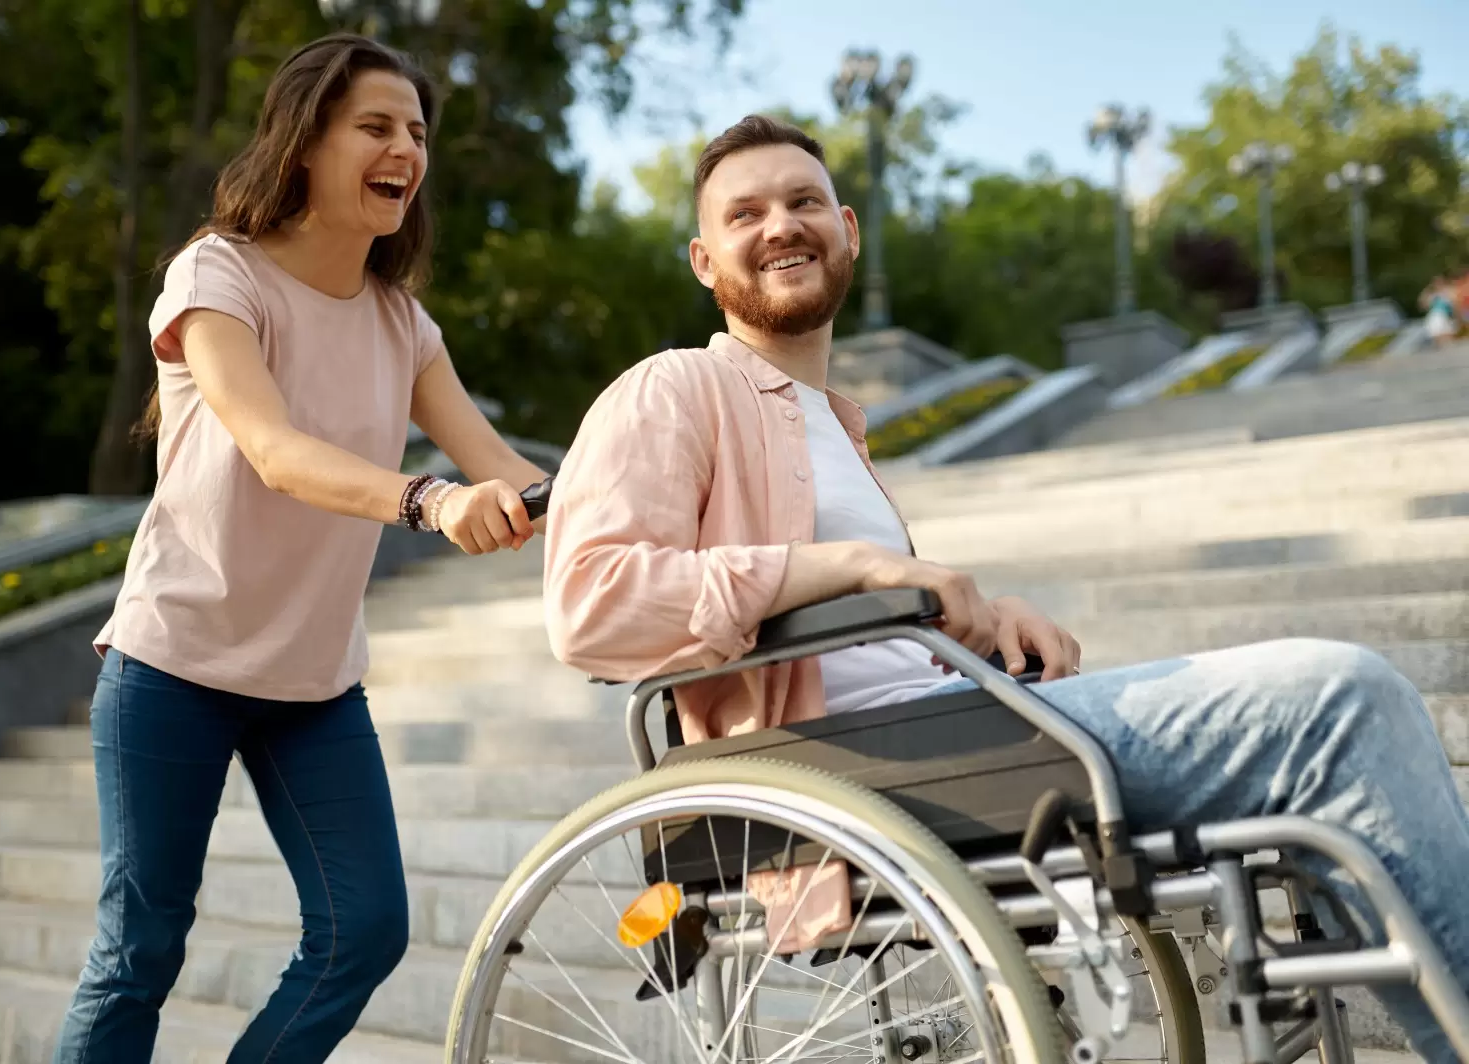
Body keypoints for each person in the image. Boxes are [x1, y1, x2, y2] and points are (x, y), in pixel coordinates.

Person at [541, 114, 1469, 1062]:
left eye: (804, 201)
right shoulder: (673, 388)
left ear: (849, 230)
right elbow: (591, 603)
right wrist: (860, 566)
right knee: (1343, 700)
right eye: (747, 213)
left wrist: (979, 626)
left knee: (1329, 731)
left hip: (947, 721)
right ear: (704, 260)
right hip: (855, 764)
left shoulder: (831, 430)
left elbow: (860, 629)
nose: (781, 224)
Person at [53, 34, 551, 1063]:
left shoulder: (401, 322)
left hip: (314, 685)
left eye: (416, 133)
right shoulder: (216, 275)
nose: (404, 150)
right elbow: (275, 449)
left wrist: (634, 494)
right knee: (139, 948)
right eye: (375, 126)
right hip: (174, 661)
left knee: (363, 930)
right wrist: (429, 501)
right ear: (305, 142)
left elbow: (507, 466)